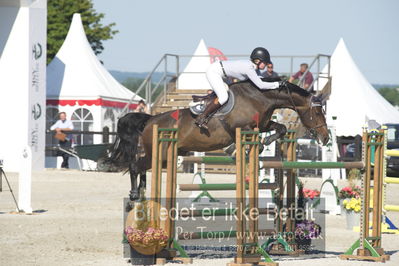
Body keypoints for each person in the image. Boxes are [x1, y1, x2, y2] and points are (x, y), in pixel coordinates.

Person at [195, 47, 283, 129]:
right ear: (258, 61)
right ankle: (201, 118)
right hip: (214, 72)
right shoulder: (249, 68)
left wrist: (275, 82)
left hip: (223, 74)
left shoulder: (253, 68)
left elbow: (261, 80)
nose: (266, 65)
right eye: (265, 62)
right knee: (223, 97)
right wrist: (277, 84)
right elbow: (261, 85)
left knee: (228, 94)